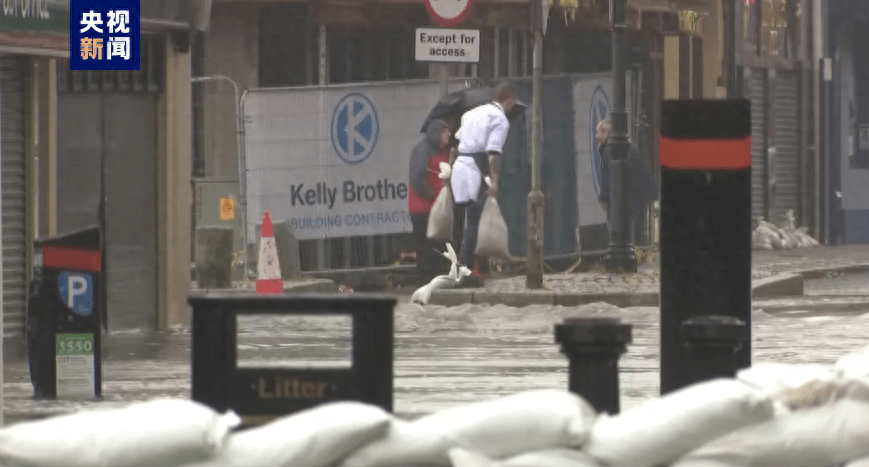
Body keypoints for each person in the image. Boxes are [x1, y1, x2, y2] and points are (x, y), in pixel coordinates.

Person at [450, 82, 518, 287]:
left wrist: (450, 171)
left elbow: (455, 144)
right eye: (513, 103)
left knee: (464, 220)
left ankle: (464, 267)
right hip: (476, 169)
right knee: (475, 222)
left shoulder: (470, 114)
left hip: (460, 167)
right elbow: (493, 154)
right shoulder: (499, 119)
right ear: (508, 99)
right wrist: (494, 180)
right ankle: (467, 270)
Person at [408, 119, 452, 283]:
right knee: (425, 247)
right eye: (445, 132)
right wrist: (435, 195)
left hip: (437, 209)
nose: (449, 135)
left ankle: (436, 279)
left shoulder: (443, 151)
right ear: (436, 133)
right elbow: (417, 179)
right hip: (423, 209)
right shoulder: (422, 150)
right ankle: (425, 280)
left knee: (437, 247)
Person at [596, 119, 658, 235]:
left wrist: (604, 198)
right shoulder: (629, 148)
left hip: (623, 200)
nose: (597, 136)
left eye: (599, 132)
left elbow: (607, 177)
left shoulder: (610, 151)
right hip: (632, 199)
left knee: (617, 231)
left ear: (608, 133)